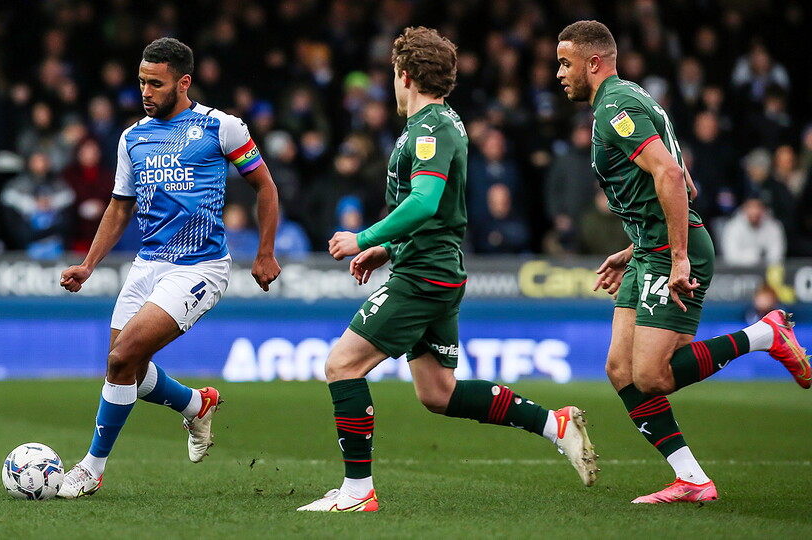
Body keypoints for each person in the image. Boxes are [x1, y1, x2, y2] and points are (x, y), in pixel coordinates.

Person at [298, 27, 598, 513]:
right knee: (438, 393)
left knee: (341, 365)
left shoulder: (432, 128)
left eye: (393, 76)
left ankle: (357, 492)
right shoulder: (439, 124)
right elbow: (433, 213)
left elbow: (425, 201)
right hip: (427, 267)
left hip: (423, 277)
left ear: (405, 75)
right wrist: (389, 248)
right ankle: (554, 424)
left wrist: (366, 237)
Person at [556, 20, 810, 505]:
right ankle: (691, 479)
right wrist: (633, 247)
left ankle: (765, 334)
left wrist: (676, 257)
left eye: (565, 63)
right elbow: (683, 183)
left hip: (671, 252)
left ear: (593, 62)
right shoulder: (634, 99)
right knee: (620, 370)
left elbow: (672, 176)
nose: (559, 73)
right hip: (648, 249)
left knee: (652, 375)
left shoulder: (616, 108)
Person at [57, 37, 281, 498]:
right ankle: (197, 405)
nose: (145, 91)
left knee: (121, 360)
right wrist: (89, 264)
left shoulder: (222, 128)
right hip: (147, 265)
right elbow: (120, 208)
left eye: (155, 83)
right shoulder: (132, 137)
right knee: (128, 373)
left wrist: (264, 252)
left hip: (200, 269)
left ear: (183, 82)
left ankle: (91, 468)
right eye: (141, 81)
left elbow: (265, 188)